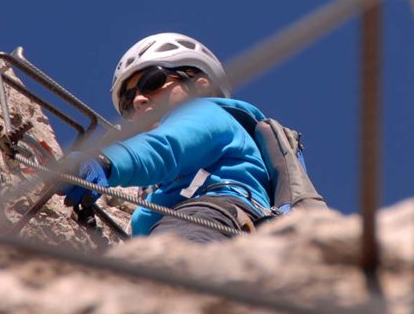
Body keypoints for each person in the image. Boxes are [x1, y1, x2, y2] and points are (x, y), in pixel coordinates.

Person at [62, 32, 274, 243]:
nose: (139, 100)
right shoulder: (161, 191)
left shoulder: (208, 112)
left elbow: (164, 147)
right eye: (128, 101)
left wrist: (104, 163)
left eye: (152, 81)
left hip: (212, 218)